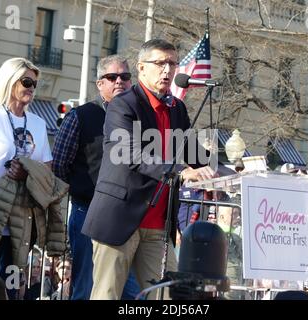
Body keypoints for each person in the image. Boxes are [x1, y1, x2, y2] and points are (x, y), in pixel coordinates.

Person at [82, 39, 216, 300]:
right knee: (107, 295)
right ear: (141, 68)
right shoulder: (123, 105)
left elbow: (196, 156)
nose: (167, 70)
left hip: (158, 226)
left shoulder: (177, 109)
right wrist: (180, 171)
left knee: (168, 298)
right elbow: (128, 153)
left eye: (172, 63)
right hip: (120, 219)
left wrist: (235, 171)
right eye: (160, 63)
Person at [0, 57, 57, 298]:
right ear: (9, 80)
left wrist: (27, 171)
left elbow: (47, 170)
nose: (31, 88)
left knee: (14, 288)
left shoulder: (37, 123)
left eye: (34, 83)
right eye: (26, 81)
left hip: (23, 223)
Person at [52, 55, 140, 300]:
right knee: (86, 287)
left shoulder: (139, 119)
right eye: (112, 77)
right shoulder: (81, 116)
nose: (119, 81)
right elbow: (59, 165)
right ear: (100, 83)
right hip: (87, 212)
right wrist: (82, 189)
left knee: (131, 292)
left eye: (125, 76)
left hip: (129, 216)